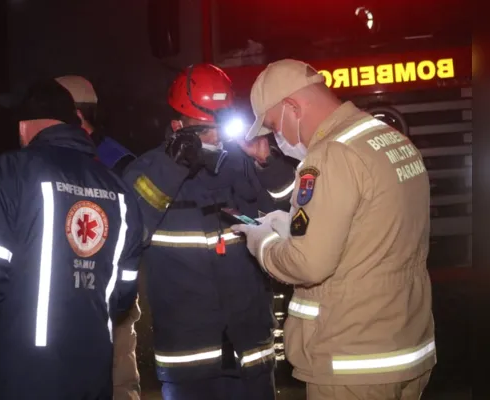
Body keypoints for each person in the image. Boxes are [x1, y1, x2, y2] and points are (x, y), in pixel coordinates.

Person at [235, 59, 435, 400]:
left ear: (292, 107)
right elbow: (371, 237)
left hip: (352, 359)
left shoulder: (330, 156)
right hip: (405, 346)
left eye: (273, 125)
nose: (277, 138)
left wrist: (263, 242)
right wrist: (295, 230)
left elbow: (308, 264)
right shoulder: (389, 140)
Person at [0, 79, 145, 400]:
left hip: (19, 378)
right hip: (93, 375)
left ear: (24, 128)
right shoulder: (119, 191)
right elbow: (123, 292)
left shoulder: (6, 175)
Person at [122, 63, 295, 400]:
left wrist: (266, 160)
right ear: (177, 126)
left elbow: (293, 210)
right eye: (203, 129)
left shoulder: (244, 162)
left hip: (251, 354)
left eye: (219, 125)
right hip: (190, 362)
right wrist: (175, 165)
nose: (215, 137)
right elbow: (131, 230)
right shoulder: (148, 170)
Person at [56, 74, 142, 400]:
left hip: (110, 294)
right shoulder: (116, 157)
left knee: (117, 380)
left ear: (75, 115)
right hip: (73, 289)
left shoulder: (117, 161)